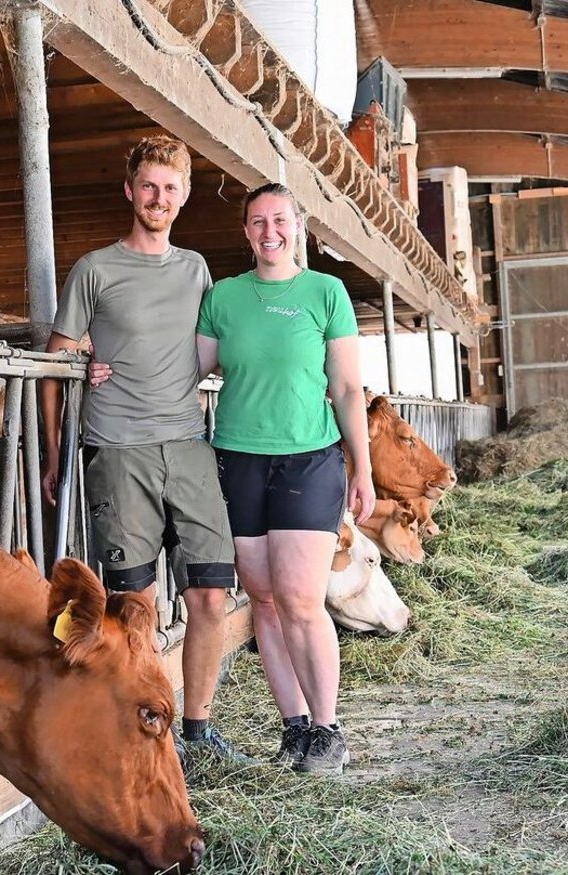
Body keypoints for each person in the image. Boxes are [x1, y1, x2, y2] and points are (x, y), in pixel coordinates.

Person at [41, 134, 247, 762]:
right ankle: (148, 729)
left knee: (211, 594)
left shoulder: (195, 271)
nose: (159, 198)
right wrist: (56, 447)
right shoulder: (95, 270)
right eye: (149, 186)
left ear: (183, 199)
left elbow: (211, 350)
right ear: (130, 190)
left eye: (171, 189)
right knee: (136, 606)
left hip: (187, 443)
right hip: (118, 447)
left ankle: (198, 728)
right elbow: (55, 357)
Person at [195, 182, 375, 774]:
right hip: (239, 459)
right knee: (265, 602)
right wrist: (106, 357)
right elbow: (188, 369)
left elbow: (348, 388)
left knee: (300, 598)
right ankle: (294, 727)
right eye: (257, 222)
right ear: (245, 232)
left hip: (309, 458)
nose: (268, 231)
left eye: (280, 220)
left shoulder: (326, 293)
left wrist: (362, 467)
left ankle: (328, 730)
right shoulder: (223, 298)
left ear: (299, 226)